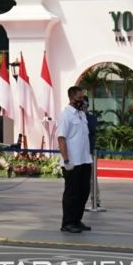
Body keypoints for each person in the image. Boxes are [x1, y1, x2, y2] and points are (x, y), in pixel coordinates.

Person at [56, 85, 93, 233]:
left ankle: (77, 220)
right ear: (71, 99)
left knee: (84, 191)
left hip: (84, 160)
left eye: (82, 98)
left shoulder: (81, 114)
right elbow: (61, 138)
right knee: (72, 193)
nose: (82, 100)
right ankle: (68, 223)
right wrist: (66, 160)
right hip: (72, 162)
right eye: (79, 98)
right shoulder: (66, 115)